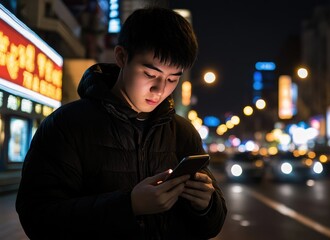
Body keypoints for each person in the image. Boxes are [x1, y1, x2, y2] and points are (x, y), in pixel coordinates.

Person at [16, 7, 227, 239]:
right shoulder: (65, 125)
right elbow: (37, 219)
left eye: (172, 78)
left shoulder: (182, 131)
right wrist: (129, 205)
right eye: (150, 74)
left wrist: (206, 205)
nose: (160, 89)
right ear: (121, 57)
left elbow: (212, 225)